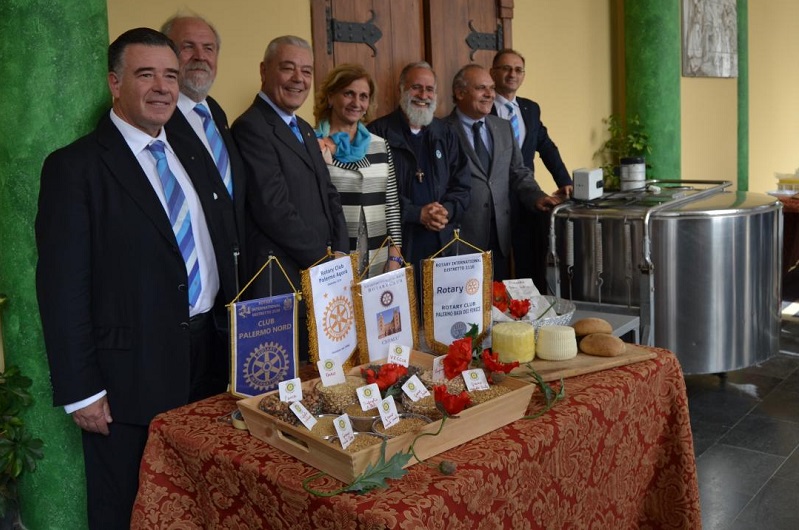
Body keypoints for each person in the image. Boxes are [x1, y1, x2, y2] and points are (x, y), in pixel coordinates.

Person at [35, 28, 238, 528]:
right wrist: (82, 390)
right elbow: (62, 288)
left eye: (170, 75)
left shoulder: (192, 152)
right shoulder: (74, 167)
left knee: (202, 501)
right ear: (114, 83)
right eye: (146, 75)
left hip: (209, 361)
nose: (163, 87)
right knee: (129, 507)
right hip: (129, 380)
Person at [231, 35, 348, 360]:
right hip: (282, 278)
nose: (299, 79)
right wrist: (324, 262)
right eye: (288, 68)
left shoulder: (305, 128)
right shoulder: (251, 127)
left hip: (319, 274)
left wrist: (340, 250)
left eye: (306, 71)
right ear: (263, 71)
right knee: (289, 375)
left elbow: (329, 192)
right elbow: (273, 208)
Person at [447, 64, 561, 280]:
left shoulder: (503, 127)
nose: (490, 94)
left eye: (491, 88)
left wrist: (537, 196)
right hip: (460, 239)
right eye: (481, 88)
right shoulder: (442, 131)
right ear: (460, 93)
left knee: (498, 297)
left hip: (500, 236)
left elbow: (518, 172)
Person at [367, 61, 470, 285]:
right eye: (416, 87)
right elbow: (372, 192)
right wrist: (416, 213)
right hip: (396, 246)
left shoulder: (446, 133)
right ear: (401, 90)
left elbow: (462, 185)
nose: (423, 95)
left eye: (429, 89)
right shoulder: (376, 133)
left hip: (442, 245)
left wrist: (447, 210)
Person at [162, 14, 246, 286]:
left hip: (233, 271)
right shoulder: (159, 120)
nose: (200, 56)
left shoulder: (215, 112)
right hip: (190, 279)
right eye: (188, 47)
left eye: (208, 48)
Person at [490, 49, 572, 291]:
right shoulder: (483, 109)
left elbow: (546, 147)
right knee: (498, 266)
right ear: (493, 72)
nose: (512, 74)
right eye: (506, 68)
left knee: (529, 263)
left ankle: (528, 307)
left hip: (528, 198)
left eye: (518, 70)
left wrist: (565, 181)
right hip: (494, 202)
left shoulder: (530, 109)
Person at [313, 64, 403, 278]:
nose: (356, 102)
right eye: (348, 94)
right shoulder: (313, 144)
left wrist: (395, 257)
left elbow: (391, 205)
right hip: (331, 260)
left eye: (363, 96)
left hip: (378, 261)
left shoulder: (380, 145)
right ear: (331, 97)